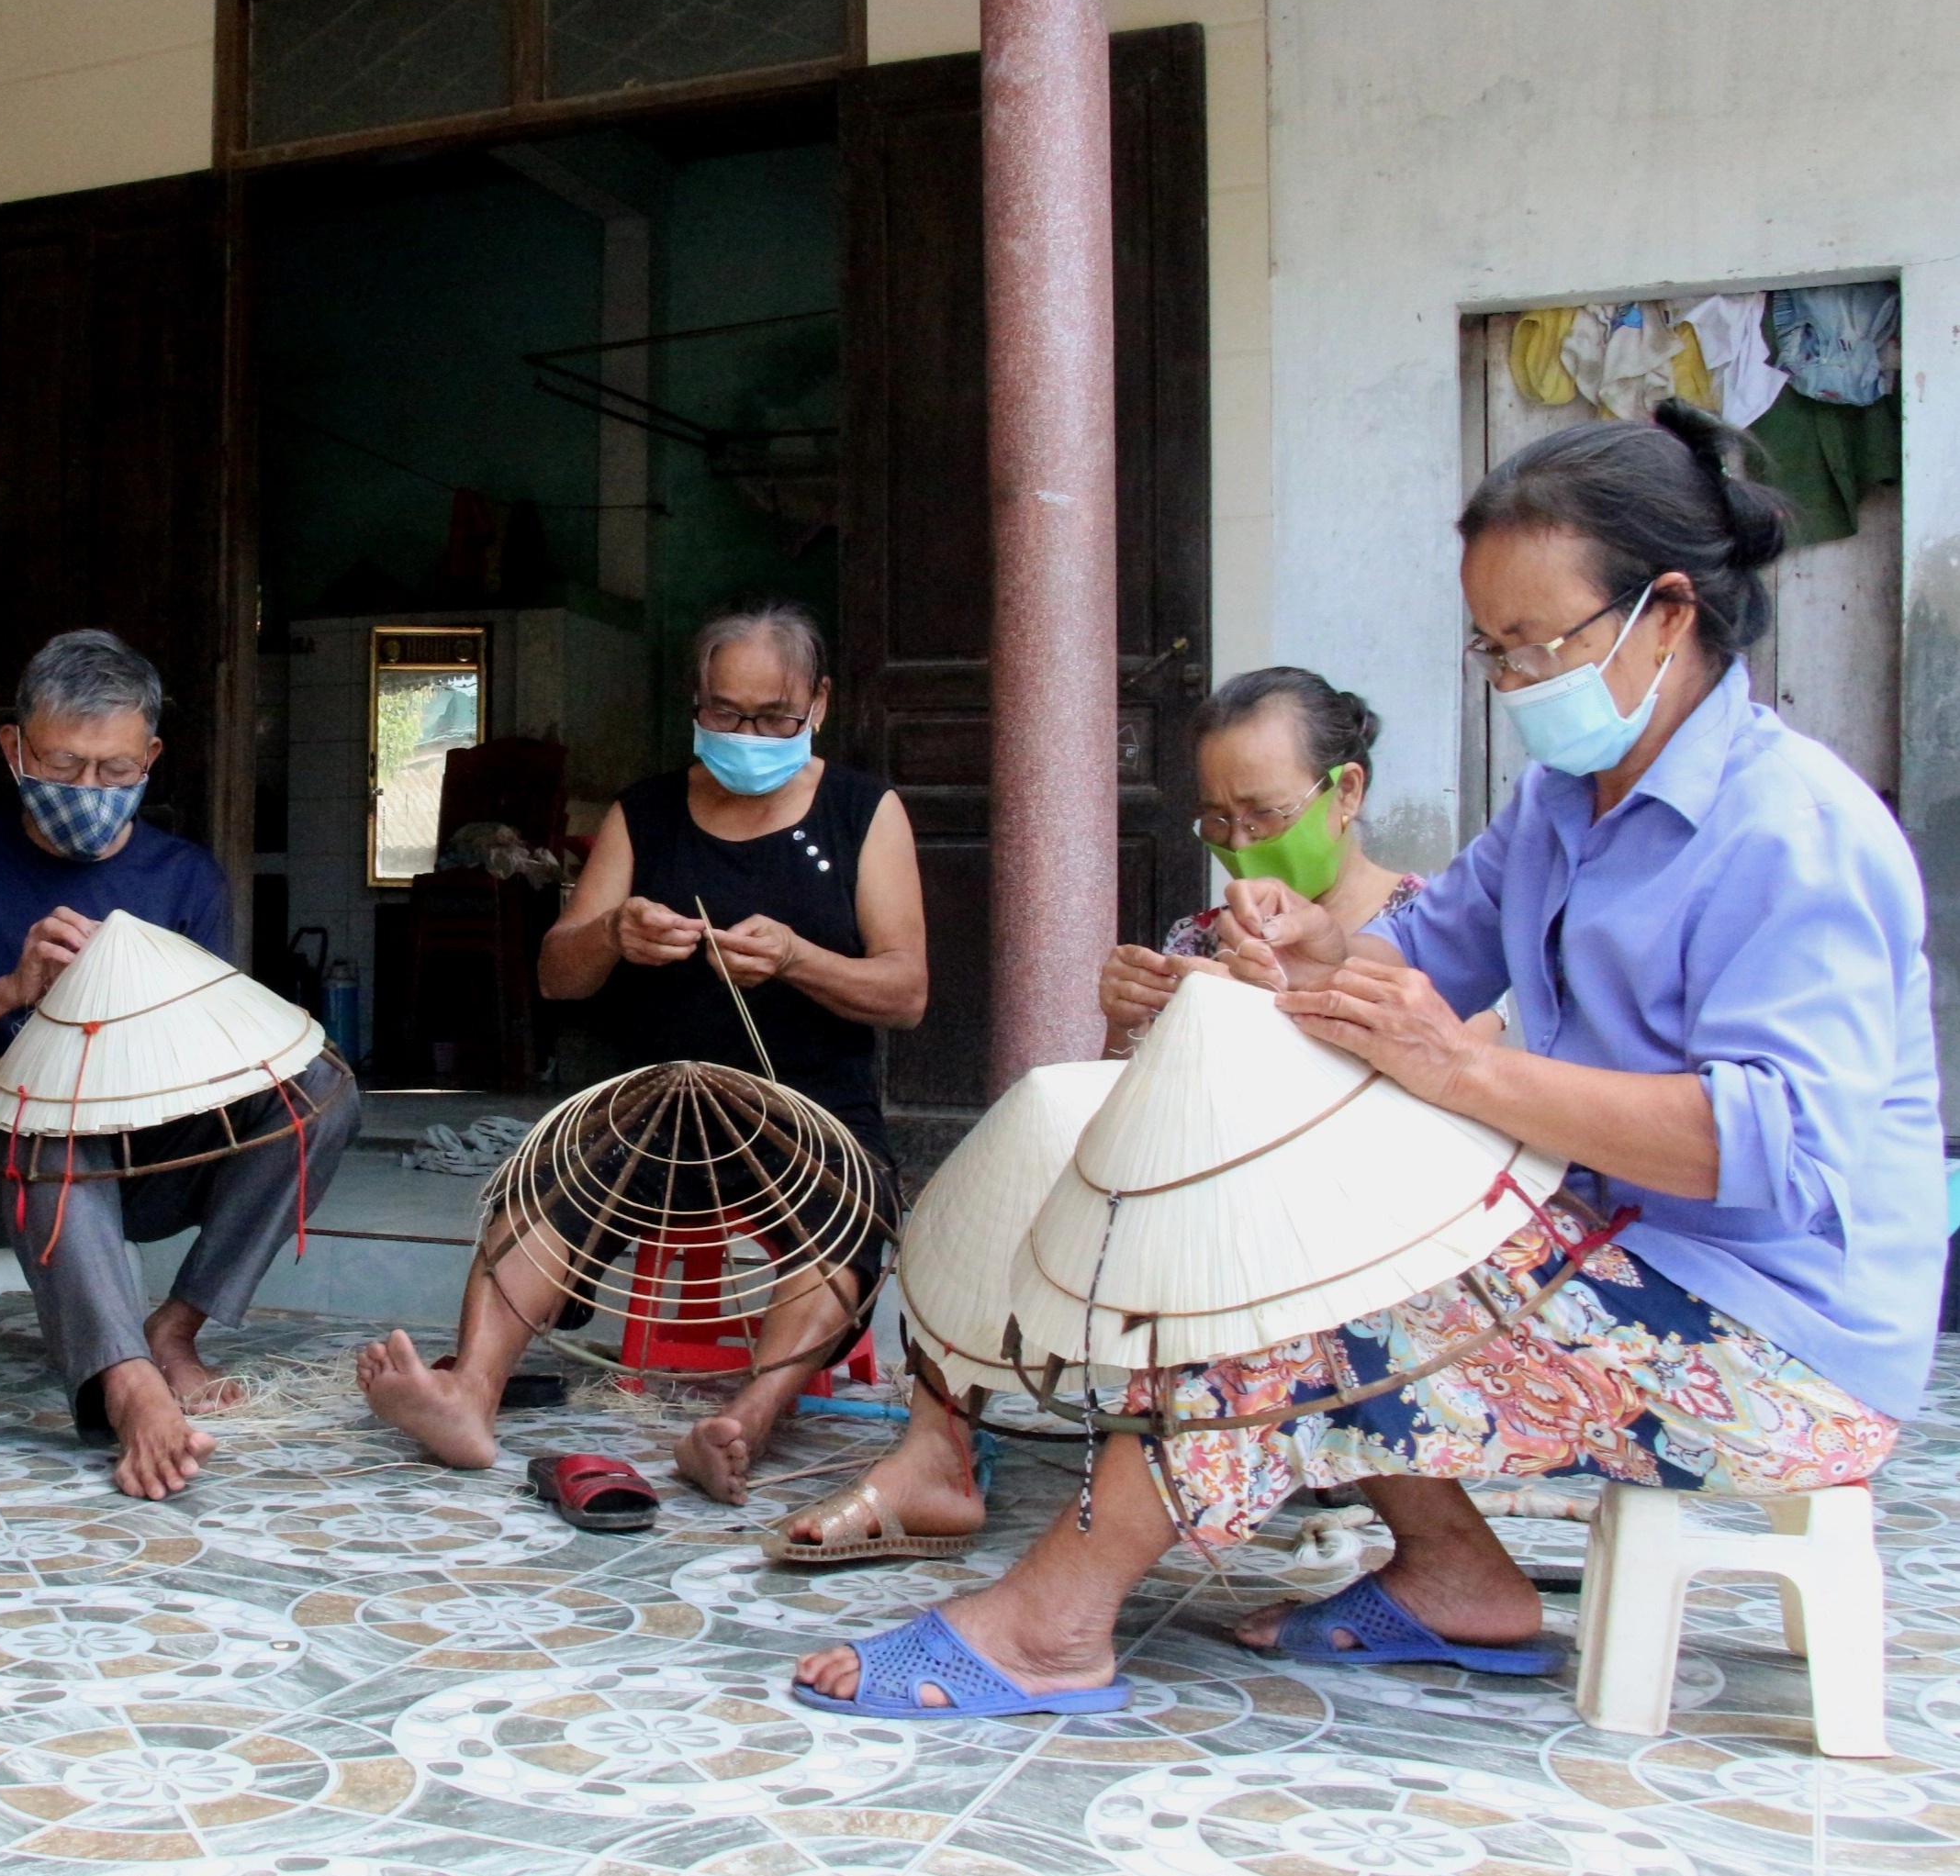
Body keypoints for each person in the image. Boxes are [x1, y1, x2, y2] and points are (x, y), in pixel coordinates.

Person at [794, 399, 1938, 1716]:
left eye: (1538, 644)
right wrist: (1299, 953)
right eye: (1490, 650)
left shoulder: (1794, 832)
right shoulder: (1567, 804)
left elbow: (1773, 1152)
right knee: (1294, 1206)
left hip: (1777, 1338)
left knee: (1291, 1278)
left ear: (1666, 614)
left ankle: (1057, 1621)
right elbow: (1417, 954)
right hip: (1622, 1245)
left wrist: (1463, 1074)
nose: (1515, 682)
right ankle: (1459, 1581)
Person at [777, 667, 1420, 1556]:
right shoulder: (1201, 933)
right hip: (1184, 1213)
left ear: (1343, 792)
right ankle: (936, 1443)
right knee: (1048, 1118)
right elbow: (1133, 1101)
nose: (1239, 842)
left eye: (1265, 815)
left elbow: (1416, 1110)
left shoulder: (1424, 925)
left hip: (1331, 1229)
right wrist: (1126, 1024)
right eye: (1217, 820)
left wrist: (1260, 1007)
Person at [358, 602, 928, 1502]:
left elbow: (905, 991)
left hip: (809, 1110)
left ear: (817, 704)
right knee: (541, 1187)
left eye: (771, 718)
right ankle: (469, 1395)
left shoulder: (862, 813)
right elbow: (557, 976)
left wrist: (798, 960)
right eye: (725, 714)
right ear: (694, 703)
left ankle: (736, 1426)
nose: (747, 736)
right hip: (654, 1103)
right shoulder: (647, 813)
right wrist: (614, 934)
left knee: (842, 1231)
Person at [0, 629, 358, 1501]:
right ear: (14, 749)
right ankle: (125, 1387)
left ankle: (175, 1332)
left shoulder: (184, 880)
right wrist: (10, 989)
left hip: (145, 1156)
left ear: (150, 759)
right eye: (63, 764)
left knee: (323, 1090)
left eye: (116, 772)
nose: (90, 792)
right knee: (50, 1119)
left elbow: (227, 1071)